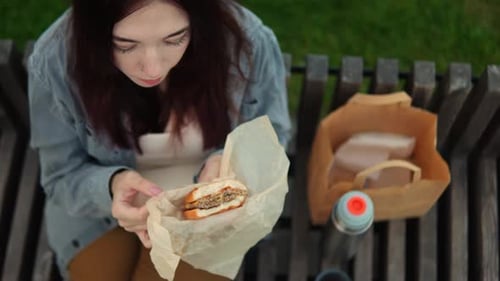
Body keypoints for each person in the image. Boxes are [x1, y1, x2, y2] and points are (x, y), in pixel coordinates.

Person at [27, 0, 291, 280]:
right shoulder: (54, 60)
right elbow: (61, 176)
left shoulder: (249, 43)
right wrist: (112, 186)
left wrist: (228, 163)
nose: (152, 69)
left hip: (205, 216)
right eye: (125, 45)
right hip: (96, 218)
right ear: (94, 31)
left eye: (175, 39)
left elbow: (273, 137)